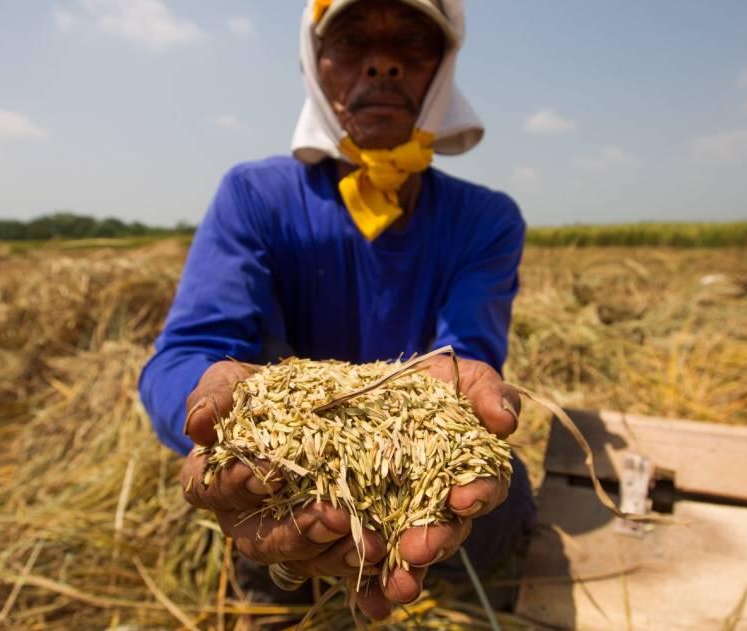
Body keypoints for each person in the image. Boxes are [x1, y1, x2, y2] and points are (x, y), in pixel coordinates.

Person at [139, 0, 535, 620]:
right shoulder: (255, 197)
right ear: (313, 62)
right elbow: (186, 351)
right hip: (286, 471)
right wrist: (222, 418)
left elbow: (468, 352)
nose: (382, 64)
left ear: (444, 67)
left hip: (421, 474)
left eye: (411, 41)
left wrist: (454, 406)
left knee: (497, 510)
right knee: (274, 555)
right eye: (351, 40)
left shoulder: (485, 221)